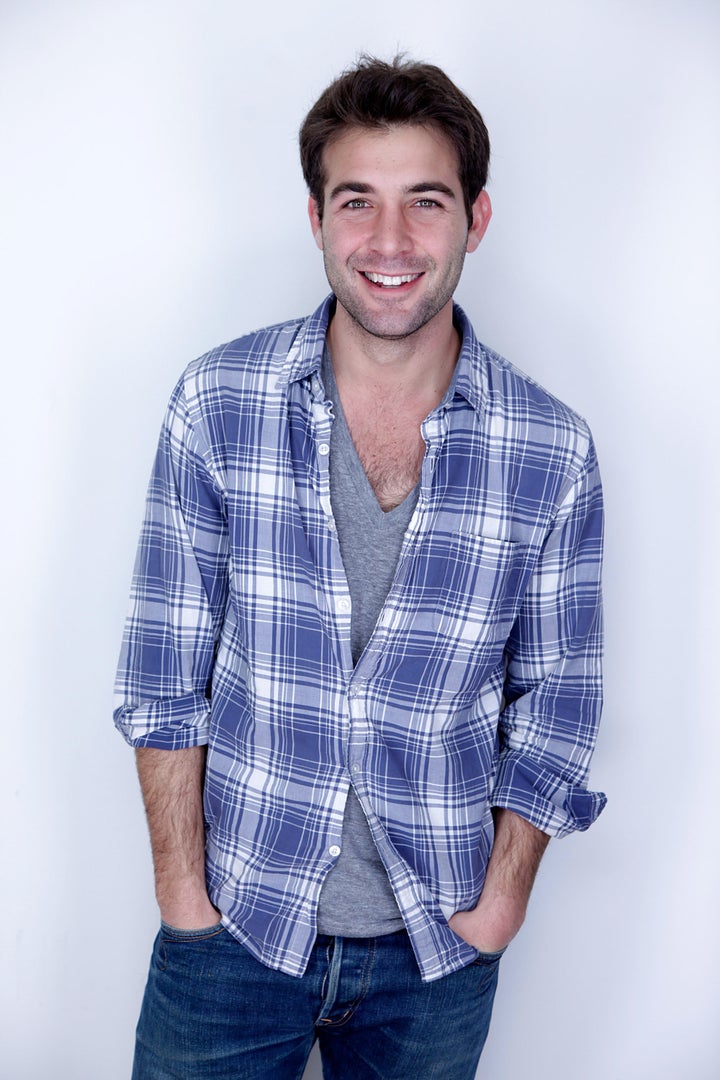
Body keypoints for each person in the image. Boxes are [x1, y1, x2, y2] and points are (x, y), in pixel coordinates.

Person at [115, 54, 606, 1080]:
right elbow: (165, 672)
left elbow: (557, 703)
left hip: (436, 954)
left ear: (475, 218)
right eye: (358, 202)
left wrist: (499, 904)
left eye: (424, 202)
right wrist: (184, 897)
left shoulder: (550, 450)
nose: (390, 243)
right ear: (316, 218)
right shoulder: (218, 403)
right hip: (235, 932)